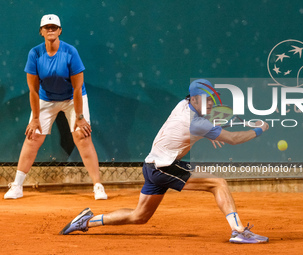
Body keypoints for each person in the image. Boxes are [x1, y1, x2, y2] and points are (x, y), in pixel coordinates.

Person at [59, 79, 269, 243]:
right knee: (218, 183)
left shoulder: (183, 104)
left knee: (139, 216)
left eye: (212, 98)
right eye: (206, 99)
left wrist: (210, 128)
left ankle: (87, 221)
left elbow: (200, 122)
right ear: (194, 99)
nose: (211, 102)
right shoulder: (195, 122)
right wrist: (259, 130)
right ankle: (238, 230)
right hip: (164, 167)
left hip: (153, 165)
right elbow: (232, 139)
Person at [4, 14, 107, 200]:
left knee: (82, 137)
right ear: (41, 31)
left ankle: (98, 186)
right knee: (33, 136)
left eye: (54, 27)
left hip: (72, 98)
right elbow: (33, 90)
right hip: (45, 98)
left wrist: (80, 117)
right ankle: (17, 186)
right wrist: (35, 119)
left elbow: (77, 88)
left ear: (59, 31)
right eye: (47, 27)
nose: (50, 30)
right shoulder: (34, 54)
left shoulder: (70, 52)